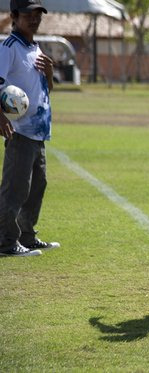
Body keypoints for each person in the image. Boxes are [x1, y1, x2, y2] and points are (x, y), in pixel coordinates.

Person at [0, 0, 59, 257]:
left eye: (38, 14)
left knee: (38, 186)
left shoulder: (35, 48)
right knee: (15, 188)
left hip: (39, 133)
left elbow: (47, 91)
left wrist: (49, 73)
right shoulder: (8, 48)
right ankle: (6, 242)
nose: (34, 19)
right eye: (27, 14)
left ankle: (27, 236)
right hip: (20, 131)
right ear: (14, 16)